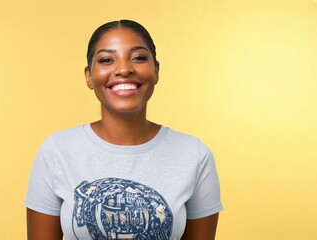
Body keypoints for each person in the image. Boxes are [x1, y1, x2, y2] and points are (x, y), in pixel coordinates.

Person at [25, 19, 223, 240]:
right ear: (89, 76)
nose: (123, 69)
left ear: (156, 70)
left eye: (138, 58)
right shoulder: (57, 151)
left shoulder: (194, 154)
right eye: (107, 59)